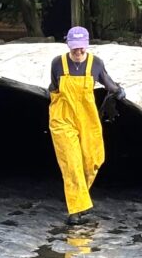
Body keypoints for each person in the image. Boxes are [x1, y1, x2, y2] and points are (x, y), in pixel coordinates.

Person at [48, 25, 126, 225]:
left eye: (82, 47)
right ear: (68, 45)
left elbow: (107, 82)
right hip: (63, 118)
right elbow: (54, 88)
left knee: (93, 160)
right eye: (75, 47)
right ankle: (74, 212)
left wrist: (117, 91)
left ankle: (79, 201)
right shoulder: (57, 64)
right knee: (72, 164)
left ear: (87, 45)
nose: (78, 51)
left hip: (87, 118)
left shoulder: (95, 64)